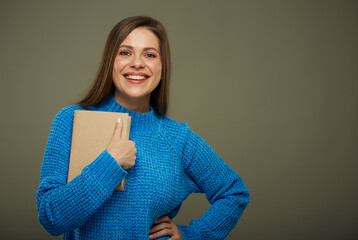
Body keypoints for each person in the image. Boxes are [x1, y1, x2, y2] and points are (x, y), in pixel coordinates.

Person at [36, 16, 250, 240]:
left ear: (161, 66)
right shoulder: (72, 120)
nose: (137, 63)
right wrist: (110, 162)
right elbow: (51, 217)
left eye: (149, 55)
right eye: (125, 52)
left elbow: (234, 193)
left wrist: (192, 235)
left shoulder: (178, 139)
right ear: (111, 61)